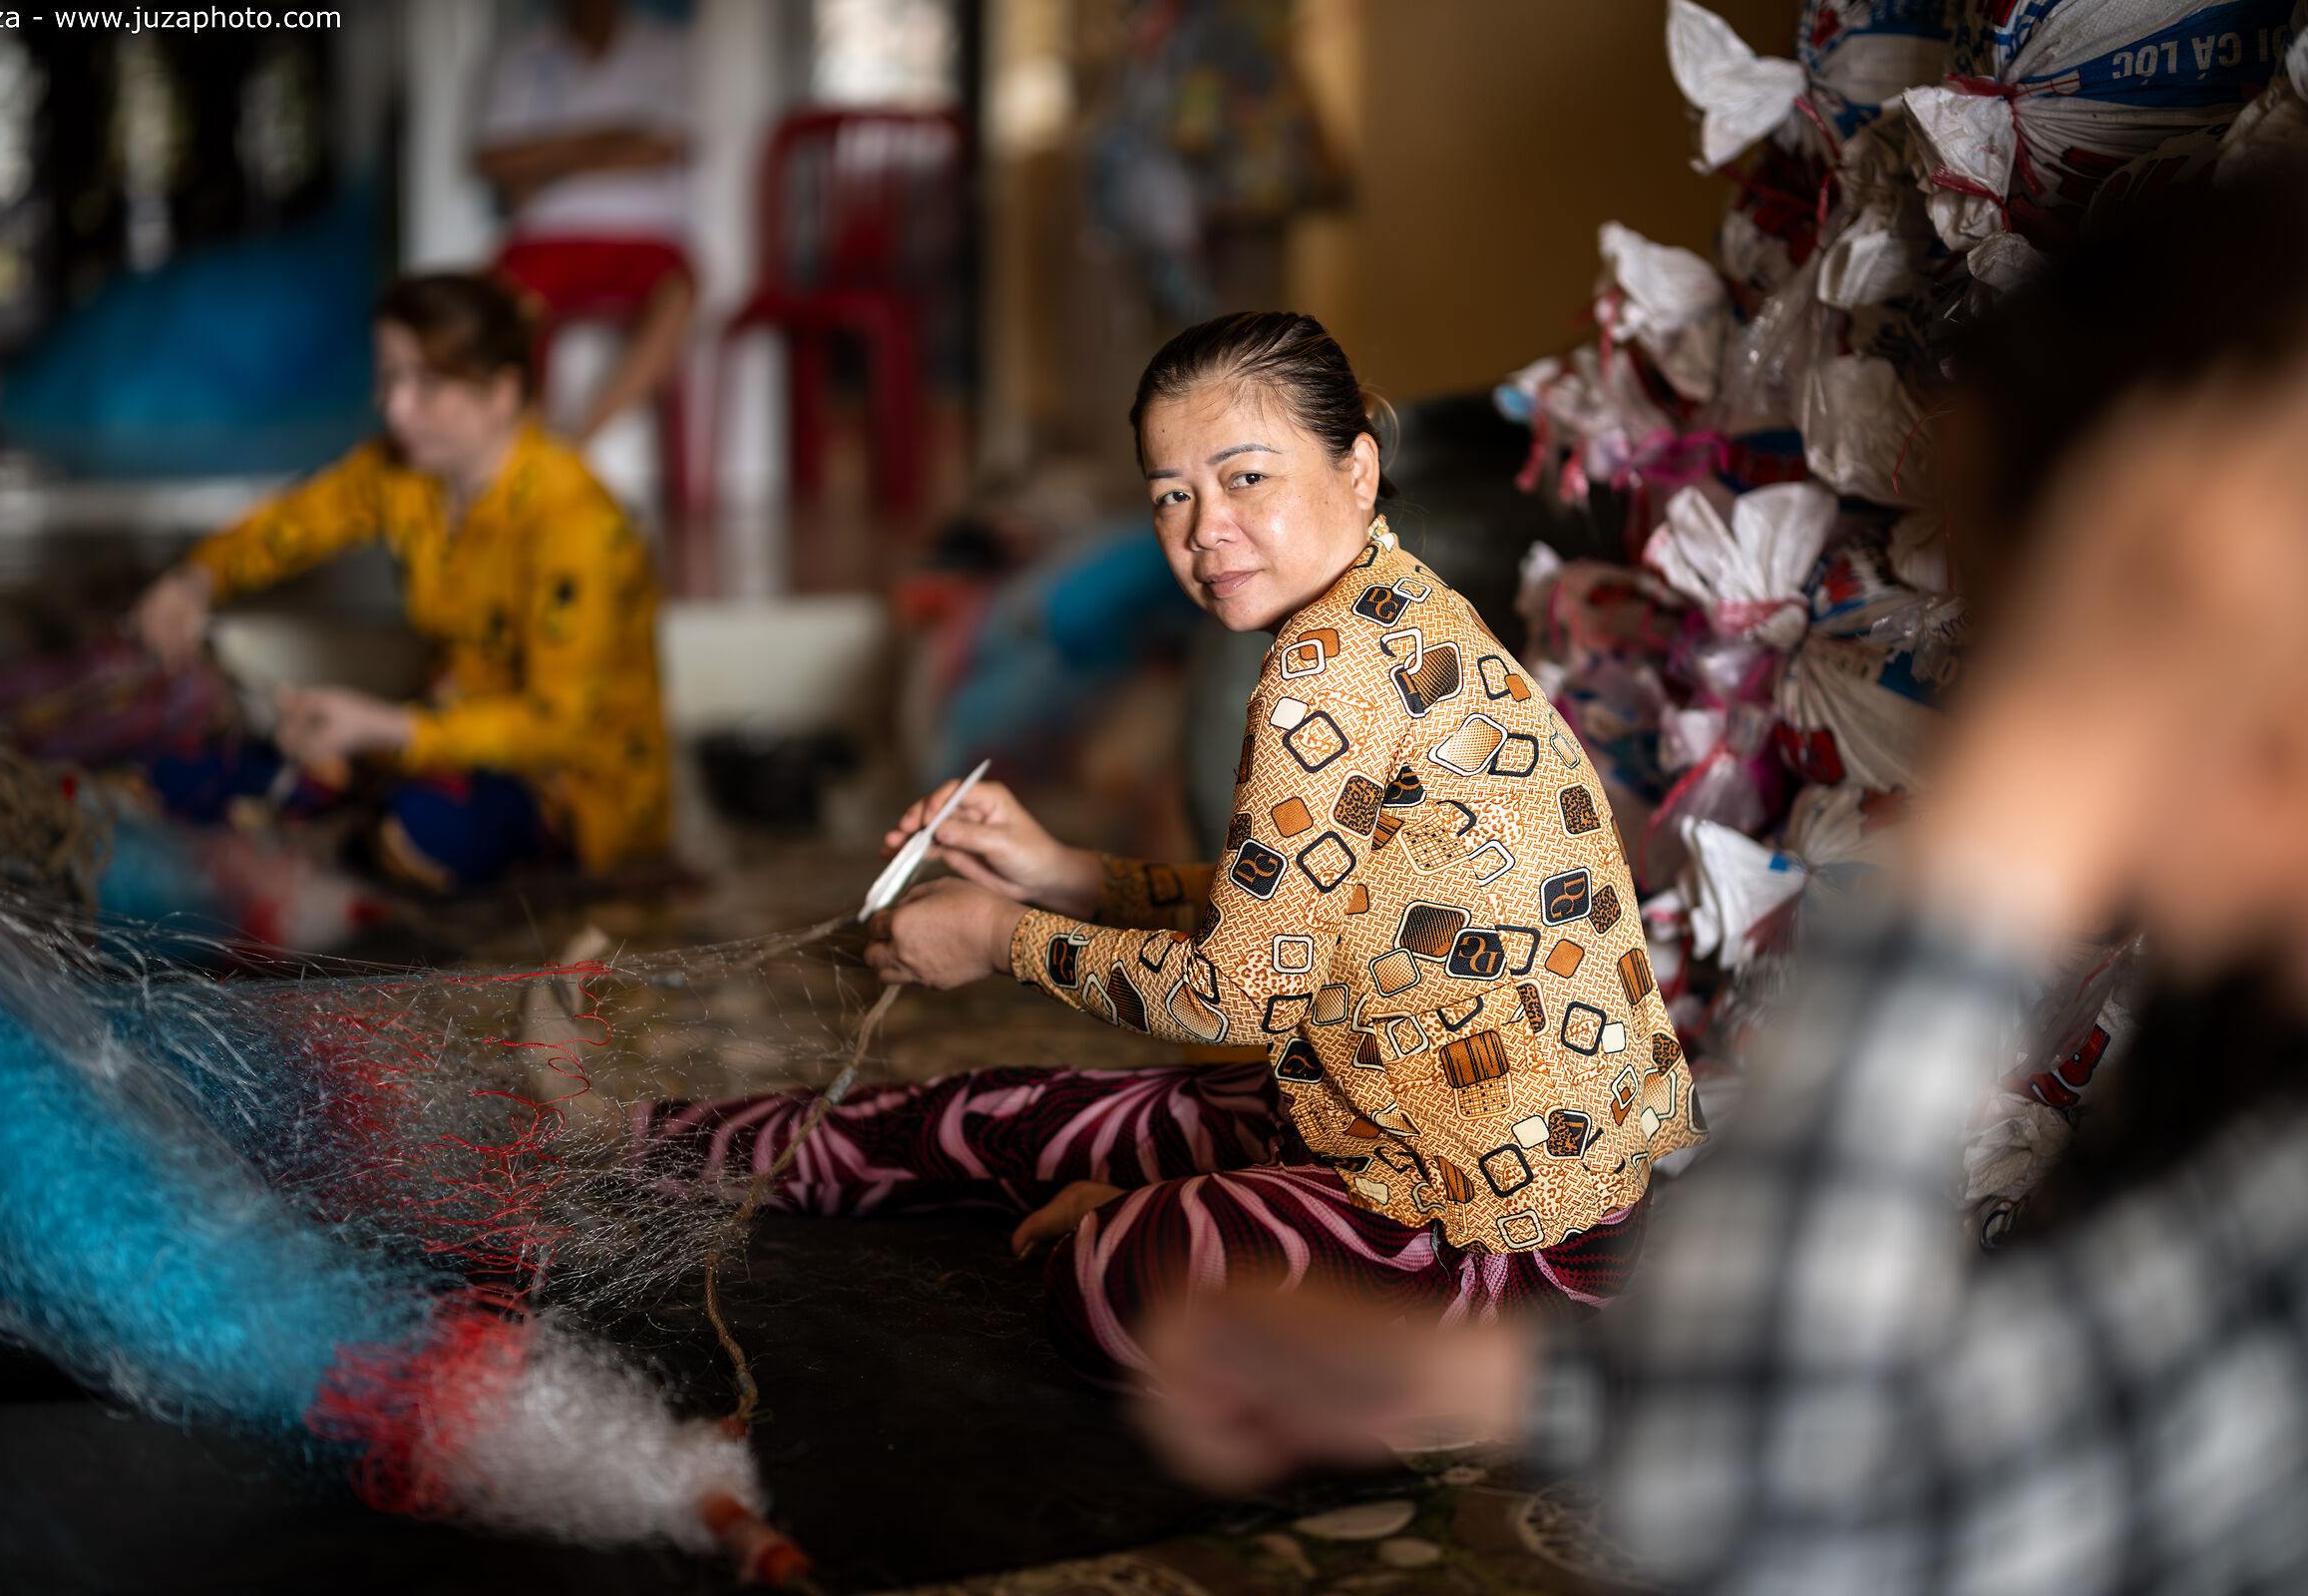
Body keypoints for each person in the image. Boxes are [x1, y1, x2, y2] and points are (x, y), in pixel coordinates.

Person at [1128, 178, 2308, 1591]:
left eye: (2050, 652)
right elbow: (1971, 1410)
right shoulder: (2231, 1043)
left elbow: (1777, 1507)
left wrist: (2020, 799)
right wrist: (1479, 1387)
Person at [631, 312, 1701, 1385]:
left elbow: (1233, 1000)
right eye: (1171, 496)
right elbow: (1301, 915)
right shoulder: (1400, 608)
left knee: (1114, 1280)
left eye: (1246, 479)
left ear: (1359, 468)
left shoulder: (1323, 672)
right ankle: (658, 1144)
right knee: (1017, 1117)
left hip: (1501, 1232)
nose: (1204, 531)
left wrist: (1001, 938)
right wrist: (1064, 876)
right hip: (1449, 1137)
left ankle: (658, 1142)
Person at [130, 272, 668, 893]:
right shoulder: (407, 474)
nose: (394, 408)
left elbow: (558, 727)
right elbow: (295, 522)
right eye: (388, 378)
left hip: (573, 783)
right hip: (442, 729)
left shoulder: (575, 524)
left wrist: (386, 728)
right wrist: (195, 579)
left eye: (426, 386)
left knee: (415, 830)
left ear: (502, 393)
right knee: (180, 776)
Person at [476, 0, 698, 450]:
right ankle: (528, 448)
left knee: (681, 292)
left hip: (645, 236)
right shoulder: (518, 53)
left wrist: (542, 160)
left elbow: (666, 147)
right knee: (499, 306)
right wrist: (615, 138)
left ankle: (572, 447)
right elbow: (493, 158)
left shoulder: (665, 48)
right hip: (542, 239)